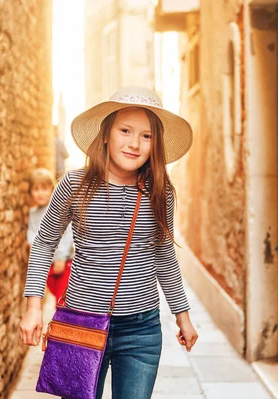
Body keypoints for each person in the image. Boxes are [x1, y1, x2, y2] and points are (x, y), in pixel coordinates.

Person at [19, 86, 198, 399]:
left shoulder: (161, 193)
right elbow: (45, 243)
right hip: (81, 322)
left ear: (155, 144)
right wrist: (33, 307)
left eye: (146, 136)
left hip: (141, 330)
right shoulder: (75, 185)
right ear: (106, 134)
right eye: (125, 130)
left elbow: (164, 256)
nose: (134, 143)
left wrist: (182, 316)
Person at [27, 168, 74, 303]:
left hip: (64, 263)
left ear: (52, 189)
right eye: (36, 189)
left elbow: (67, 234)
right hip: (48, 264)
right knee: (52, 296)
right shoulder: (33, 213)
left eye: (44, 189)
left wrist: (60, 258)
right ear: (30, 192)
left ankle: (61, 323)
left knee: (62, 300)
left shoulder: (57, 209)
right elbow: (32, 231)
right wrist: (32, 246)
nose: (40, 193)